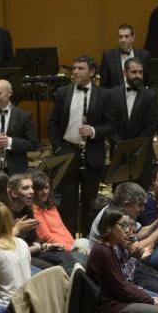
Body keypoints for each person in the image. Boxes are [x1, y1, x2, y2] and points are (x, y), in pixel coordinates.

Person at [47, 55, 112, 235]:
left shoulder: (104, 95)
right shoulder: (62, 92)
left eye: (80, 68)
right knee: (68, 202)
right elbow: (52, 123)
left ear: (91, 72)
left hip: (92, 152)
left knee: (90, 202)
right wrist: (59, 148)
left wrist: (93, 131)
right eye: (74, 68)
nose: (75, 71)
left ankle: (88, 240)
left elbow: (111, 125)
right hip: (67, 151)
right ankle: (69, 243)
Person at [31, 171, 88, 262]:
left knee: (85, 244)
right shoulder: (34, 209)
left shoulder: (50, 204)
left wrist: (74, 244)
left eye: (46, 188)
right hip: (54, 247)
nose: (45, 192)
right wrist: (70, 249)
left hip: (67, 246)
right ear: (34, 191)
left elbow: (62, 228)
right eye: (40, 189)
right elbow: (47, 236)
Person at [105, 57, 158, 147]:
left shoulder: (150, 96)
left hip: (142, 151)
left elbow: (151, 126)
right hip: (118, 150)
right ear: (124, 73)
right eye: (134, 72)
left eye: (140, 72)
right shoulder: (111, 94)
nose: (138, 75)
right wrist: (120, 144)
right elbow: (109, 124)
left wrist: (135, 145)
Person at [99, 23, 151, 89]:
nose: (123, 40)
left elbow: (150, 81)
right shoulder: (108, 56)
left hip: (140, 96)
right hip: (115, 98)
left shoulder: (144, 55)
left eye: (126, 36)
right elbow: (103, 85)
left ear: (133, 37)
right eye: (120, 37)